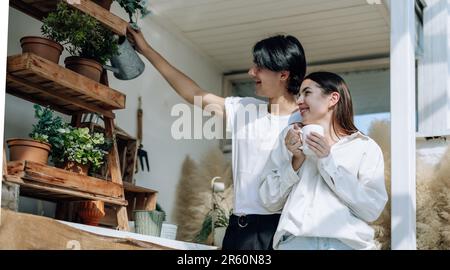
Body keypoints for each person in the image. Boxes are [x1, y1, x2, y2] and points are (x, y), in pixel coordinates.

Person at [126, 26, 307, 250]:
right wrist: (146, 49)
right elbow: (193, 93)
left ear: (283, 74)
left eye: (259, 67)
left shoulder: (307, 120)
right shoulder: (244, 110)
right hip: (240, 231)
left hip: (283, 233)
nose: (252, 72)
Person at [259, 72, 388, 250]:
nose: (299, 101)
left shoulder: (364, 147)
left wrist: (327, 161)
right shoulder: (289, 139)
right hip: (297, 243)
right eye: (298, 95)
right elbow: (269, 200)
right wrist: (296, 161)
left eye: (307, 93)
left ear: (333, 98)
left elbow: (371, 209)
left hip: (347, 245)